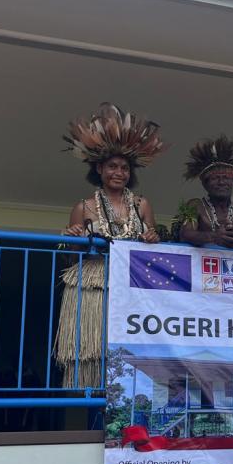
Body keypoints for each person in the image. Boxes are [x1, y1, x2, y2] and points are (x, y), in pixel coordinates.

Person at [55, 103, 167, 388]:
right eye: (112, 166)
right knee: (94, 347)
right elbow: (72, 258)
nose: (119, 172)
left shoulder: (142, 204)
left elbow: (153, 246)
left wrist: (152, 238)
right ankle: (94, 402)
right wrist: (74, 238)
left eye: (125, 168)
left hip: (132, 282)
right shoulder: (83, 207)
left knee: (130, 347)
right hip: (93, 282)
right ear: (99, 168)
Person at [174, 135, 233, 248]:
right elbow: (185, 234)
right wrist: (214, 237)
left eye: (226, 178)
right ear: (205, 184)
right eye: (215, 178)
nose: (221, 182)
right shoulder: (196, 205)